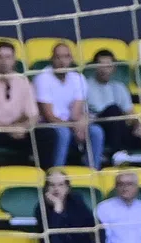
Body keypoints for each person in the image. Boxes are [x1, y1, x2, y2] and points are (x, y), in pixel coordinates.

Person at [33, 42, 100, 170]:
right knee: (63, 133)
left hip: (70, 123)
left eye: (66, 57)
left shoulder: (78, 78)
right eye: (58, 57)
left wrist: (82, 122)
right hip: (48, 125)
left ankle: (92, 172)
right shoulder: (42, 78)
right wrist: (73, 126)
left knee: (96, 132)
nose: (62, 61)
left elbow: (76, 113)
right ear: (52, 59)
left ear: (71, 59)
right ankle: (57, 172)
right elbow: (49, 116)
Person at [88, 50, 141, 167]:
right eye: (101, 65)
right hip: (99, 129)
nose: (105, 69)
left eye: (108, 66)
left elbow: (130, 113)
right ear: (95, 67)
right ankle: (117, 153)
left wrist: (137, 125)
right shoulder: (86, 85)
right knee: (113, 109)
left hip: (120, 129)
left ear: (114, 68)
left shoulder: (119, 87)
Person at [34, 168, 99, 243]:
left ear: (68, 188)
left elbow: (95, 226)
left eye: (61, 185)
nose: (56, 189)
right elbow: (53, 236)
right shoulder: (41, 208)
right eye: (52, 185)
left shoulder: (77, 202)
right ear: (46, 188)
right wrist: (57, 209)